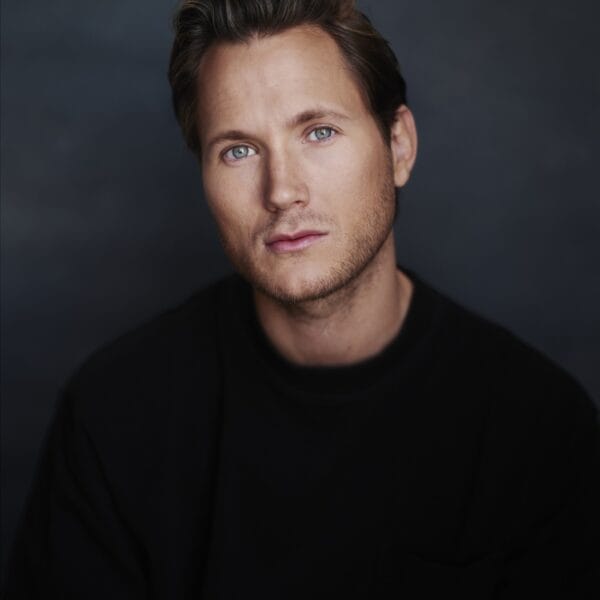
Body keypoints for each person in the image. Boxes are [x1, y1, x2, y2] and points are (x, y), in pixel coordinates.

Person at [4, 0, 599, 598]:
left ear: (398, 146)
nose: (282, 191)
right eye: (238, 150)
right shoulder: (114, 417)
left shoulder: (539, 431)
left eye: (319, 132)